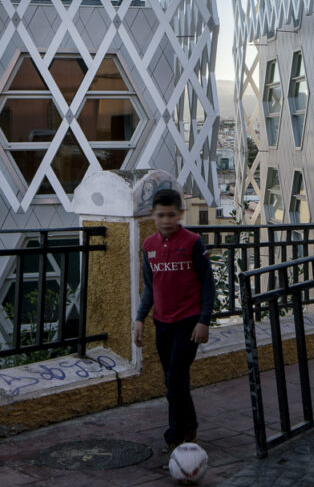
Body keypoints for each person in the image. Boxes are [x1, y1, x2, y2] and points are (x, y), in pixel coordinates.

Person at [134, 186, 215, 452]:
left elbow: (207, 283)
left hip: (189, 322)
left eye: (171, 215)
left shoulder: (192, 242)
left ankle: (178, 433)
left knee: (175, 379)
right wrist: (140, 319)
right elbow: (150, 286)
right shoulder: (149, 246)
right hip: (162, 323)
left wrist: (204, 320)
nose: (166, 220)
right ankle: (187, 428)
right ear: (152, 215)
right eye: (161, 215)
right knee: (174, 380)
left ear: (180, 214)